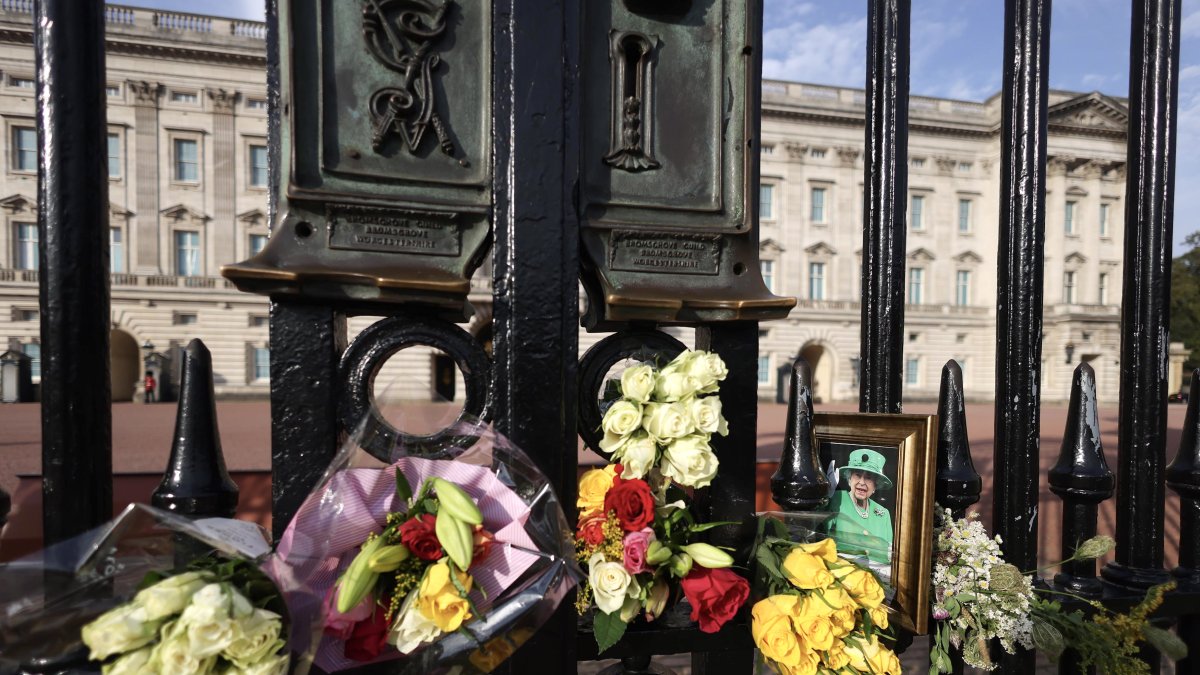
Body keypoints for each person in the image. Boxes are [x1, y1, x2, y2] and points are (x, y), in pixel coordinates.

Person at [825, 448, 893, 567]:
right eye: (857, 475)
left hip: (878, 575)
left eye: (868, 478)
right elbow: (818, 531)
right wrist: (825, 498)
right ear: (849, 478)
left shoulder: (883, 513)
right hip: (842, 571)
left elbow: (888, 554)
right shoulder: (836, 499)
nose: (862, 482)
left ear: (875, 485)